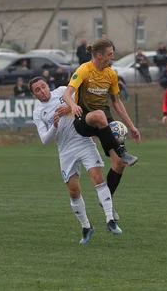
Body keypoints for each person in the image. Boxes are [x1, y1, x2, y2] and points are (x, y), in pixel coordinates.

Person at [30, 77, 122, 242]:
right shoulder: (38, 112)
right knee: (73, 191)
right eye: (38, 90)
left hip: (83, 141)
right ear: (33, 94)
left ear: (47, 86)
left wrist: (70, 107)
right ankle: (86, 226)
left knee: (97, 177)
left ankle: (110, 219)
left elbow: (81, 103)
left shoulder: (62, 92)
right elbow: (44, 139)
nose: (42, 91)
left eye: (43, 86)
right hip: (65, 150)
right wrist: (54, 126)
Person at [62, 38, 141, 215]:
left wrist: (132, 126)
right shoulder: (84, 69)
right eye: (110, 54)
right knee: (99, 115)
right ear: (99, 56)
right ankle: (122, 151)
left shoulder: (111, 74)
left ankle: (107, 201)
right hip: (84, 121)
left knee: (119, 164)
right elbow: (68, 93)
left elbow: (116, 102)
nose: (112, 57)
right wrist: (73, 106)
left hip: (104, 122)